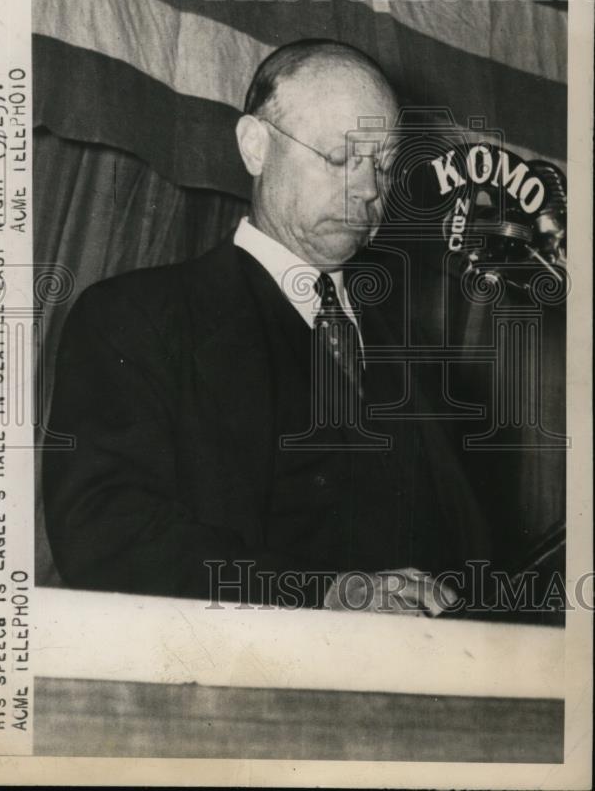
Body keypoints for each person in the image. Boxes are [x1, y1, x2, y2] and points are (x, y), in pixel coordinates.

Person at [43, 39, 489, 611]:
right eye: (338, 158)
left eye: (383, 164)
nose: (371, 189)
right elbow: (106, 533)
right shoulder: (136, 320)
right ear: (255, 146)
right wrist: (324, 594)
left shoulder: (420, 361)